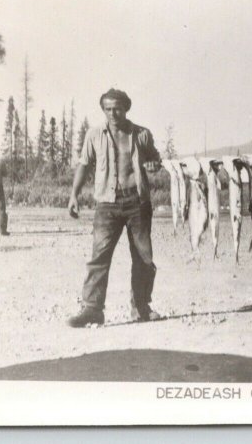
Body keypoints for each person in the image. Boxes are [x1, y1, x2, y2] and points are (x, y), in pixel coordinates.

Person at [66, 88, 162, 327]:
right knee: (99, 257)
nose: (113, 113)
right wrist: (74, 195)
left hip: (137, 202)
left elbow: (154, 161)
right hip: (107, 204)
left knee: (143, 258)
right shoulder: (94, 134)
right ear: (103, 110)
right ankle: (92, 309)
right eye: (107, 109)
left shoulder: (142, 134)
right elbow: (84, 165)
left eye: (117, 108)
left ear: (126, 108)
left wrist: (153, 165)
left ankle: (141, 307)